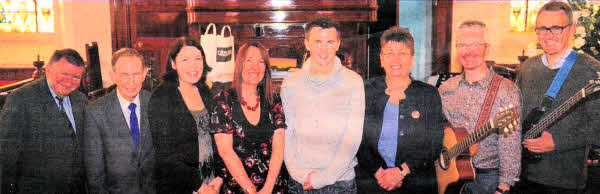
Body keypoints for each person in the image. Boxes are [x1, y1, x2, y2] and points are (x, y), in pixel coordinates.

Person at [516, 2, 600, 193]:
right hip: (522, 177)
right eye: (542, 29)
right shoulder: (528, 67)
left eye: (556, 28)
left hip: (564, 183)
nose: (547, 35)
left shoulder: (591, 70)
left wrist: (557, 142)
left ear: (572, 29)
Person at [281, 16, 365, 193]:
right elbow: (288, 134)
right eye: (317, 42)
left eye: (330, 42)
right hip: (300, 180)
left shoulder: (353, 82)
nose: (324, 49)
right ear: (307, 43)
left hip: (340, 182)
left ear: (338, 44)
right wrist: (299, 174)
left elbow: (352, 138)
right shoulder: (290, 84)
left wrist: (322, 179)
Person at [356, 27, 444, 194]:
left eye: (402, 53)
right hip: (373, 182)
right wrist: (379, 172)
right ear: (381, 59)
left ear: (412, 59)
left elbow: (434, 144)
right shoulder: (365, 90)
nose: (395, 59)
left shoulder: (428, 94)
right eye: (389, 53)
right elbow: (357, 140)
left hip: (417, 183)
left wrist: (401, 171)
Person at [438, 20, 521, 194]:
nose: (468, 51)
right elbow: (437, 131)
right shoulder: (446, 88)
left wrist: (503, 187)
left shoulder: (506, 90)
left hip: (486, 181)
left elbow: (510, 145)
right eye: (462, 45)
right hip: (447, 176)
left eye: (475, 44)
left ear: (486, 47)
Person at [0, 49, 88, 193]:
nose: (69, 82)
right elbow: (6, 156)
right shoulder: (21, 99)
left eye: (76, 77)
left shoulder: (81, 100)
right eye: (64, 74)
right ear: (48, 70)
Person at [210, 42, 287, 194]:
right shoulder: (223, 101)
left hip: (273, 187)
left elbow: (279, 148)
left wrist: (268, 189)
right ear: (240, 65)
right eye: (249, 60)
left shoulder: (273, 100)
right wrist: (251, 190)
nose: (255, 67)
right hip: (238, 187)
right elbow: (225, 151)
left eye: (261, 62)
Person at [148, 38, 222, 194]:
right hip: (181, 185)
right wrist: (201, 188)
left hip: (211, 181)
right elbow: (166, 155)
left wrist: (220, 178)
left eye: (197, 59)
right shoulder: (162, 97)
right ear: (173, 64)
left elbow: (218, 139)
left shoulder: (205, 92)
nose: (193, 66)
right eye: (185, 60)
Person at [84, 48, 155, 194]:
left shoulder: (156, 103)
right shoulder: (96, 112)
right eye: (124, 75)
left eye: (136, 75)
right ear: (113, 76)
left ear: (144, 74)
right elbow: (94, 174)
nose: (131, 82)